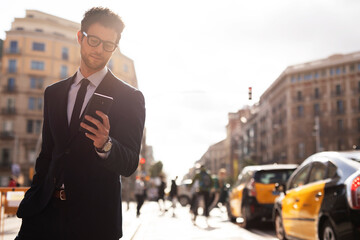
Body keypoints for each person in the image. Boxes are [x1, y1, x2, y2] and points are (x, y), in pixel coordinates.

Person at [15, 7, 146, 240]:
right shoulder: (53, 93)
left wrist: (105, 144)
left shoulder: (129, 98)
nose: (99, 50)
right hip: (43, 215)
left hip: (93, 223)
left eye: (108, 45)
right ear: (80, 37)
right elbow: (47, 154)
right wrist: (33, 198)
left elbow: (130, 163)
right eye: (94, 40)